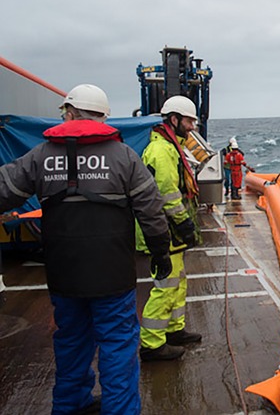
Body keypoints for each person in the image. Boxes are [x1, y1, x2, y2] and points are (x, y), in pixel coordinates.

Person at [0, 84, 172, 414]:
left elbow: (5, 188)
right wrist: (160, 252)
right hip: (112, 275)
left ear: (69, 113)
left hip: (64, 275)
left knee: (71, 342)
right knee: (118, 346)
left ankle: (70, 405)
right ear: (103, 118)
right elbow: (150, 210)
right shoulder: (123, 157)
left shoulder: (40, 155)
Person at [136, 94, 203, 362]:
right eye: (188, 121)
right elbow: (167, 194)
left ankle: (174, 330)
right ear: (173, 120)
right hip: (164, 230)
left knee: (177, 281)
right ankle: (152, 344)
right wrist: (184, 223)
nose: (192, 128)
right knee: (165, 285)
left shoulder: (169, 146)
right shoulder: (162, 151)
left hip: (170, 231)